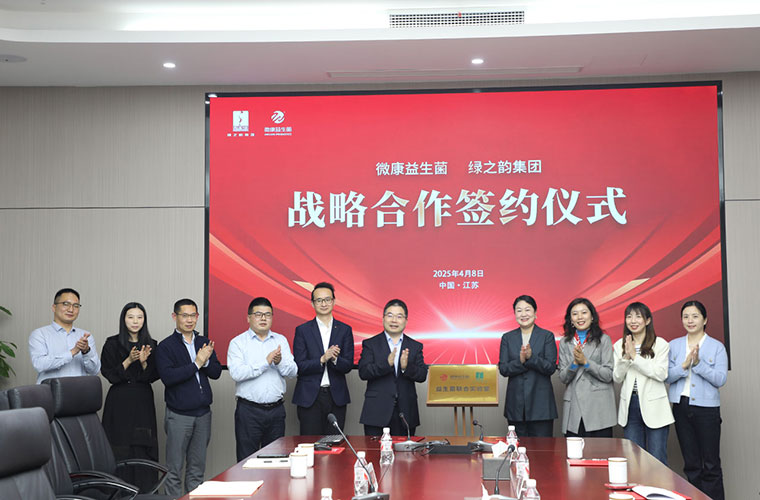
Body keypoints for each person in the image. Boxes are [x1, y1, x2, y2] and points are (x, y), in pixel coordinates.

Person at [156, 298, 222, 498]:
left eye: (193, 315)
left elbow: (216, 372)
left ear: (198, 317)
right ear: (174, 317)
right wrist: (197, 363)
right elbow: (168, 378)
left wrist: (206, 361)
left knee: (197, 470)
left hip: (203, 415)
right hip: (179, 416)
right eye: (184, 315)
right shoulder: (166, 346)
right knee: (174, 470)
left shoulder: (204, 342)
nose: (189, 320)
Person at [666, 300, 727, 500]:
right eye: (686, 316)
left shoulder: (717, 347)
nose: (690, 320)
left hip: (707, 410)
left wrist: (699, 364)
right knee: (691, 464)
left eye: (695, 316)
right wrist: (683, 366)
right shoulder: (674, 345)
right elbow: (666, 376)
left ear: (705, 319)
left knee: (711, 464)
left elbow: (720, 379)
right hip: (681, 407)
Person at [227, 297, 298, 461]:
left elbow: (293, 372)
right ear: (248, 318)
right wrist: (265, 362)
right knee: (246, 461)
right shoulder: (238, 343)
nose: (263, 318)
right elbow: (237, 373)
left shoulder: (280, 340)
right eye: (258, 314)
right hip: (249, 411)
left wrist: (279, 362)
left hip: (276, 411)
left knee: (275, 461)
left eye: (268, 314)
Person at [100, 302, 160, 491]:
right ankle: (117, 492)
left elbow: (154, 376)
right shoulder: (112, 343)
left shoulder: (152, 344)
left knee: (142, 447)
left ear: (144, 320)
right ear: (123, 319)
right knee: (119, 447)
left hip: (142, 401)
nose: (135, 321)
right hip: (119, 401)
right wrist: (128, 361)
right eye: (131, 317)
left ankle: (144, 492)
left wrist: (143, 363)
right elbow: (110, 375)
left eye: (139, 317)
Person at [612, 302, 673, 465]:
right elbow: (617, 377)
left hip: (655, 406)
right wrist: (626, 357)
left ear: (647, 320)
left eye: (638, 316)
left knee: (657, 459)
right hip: (630, 406)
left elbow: (661, 373)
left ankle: (658, 483)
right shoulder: (619, 345)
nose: (633, 321)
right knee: (633, 460)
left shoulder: (660, 344)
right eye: (629, 317)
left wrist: (635, 357)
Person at [358, 299, 428, 436]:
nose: (394, 320)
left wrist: (406, 367)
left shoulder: (415, 346)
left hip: (406, 412)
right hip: (376, 412)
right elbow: (363, 372)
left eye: (399, 316)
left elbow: (422, 375)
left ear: (406, 321)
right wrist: (386, 364)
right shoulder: (370, 344)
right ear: (383, 318)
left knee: (405, 450)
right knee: (374, 449)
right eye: (390, 315)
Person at [292, 282, 354, 435]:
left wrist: (334, 359)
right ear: (312, 303)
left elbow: (348, 365)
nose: (324, 304)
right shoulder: (302, 330)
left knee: (335, 443)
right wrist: (322, 359)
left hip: (336, 397)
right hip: (310, 398)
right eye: (319, 300)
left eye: (327, 299)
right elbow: (299, 366)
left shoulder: (345, 330)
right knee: (309, 443)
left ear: (333, 301)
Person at [498, 295, 557, 437]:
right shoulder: (507, 338)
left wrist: (531, 358)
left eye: (527, 310)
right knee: (517, 447)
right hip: (516, 407)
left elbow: (550, 367)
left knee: (543, 449)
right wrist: (520, 361)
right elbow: (504, 369)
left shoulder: (547, 336)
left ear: (535, 313)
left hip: (541, 407)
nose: (523, 314)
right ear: (515, 314)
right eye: (519, 311)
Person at [558, 297, 616, 437]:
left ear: (592, 316)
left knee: (600, 450)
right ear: (570, 319)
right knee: (574, 450)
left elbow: (608, 374)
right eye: (575, 314)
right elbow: (563, 377)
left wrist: (586, 362)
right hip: (574, 408)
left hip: (599, 408)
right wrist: (574, 363)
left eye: (584, 312)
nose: (580, 317)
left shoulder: (604, 340)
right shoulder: (565, 342)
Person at [29, 288, 101, 383]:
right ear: (54, 307)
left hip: (79, 390)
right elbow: (39, 365)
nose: (71, 309)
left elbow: (94, 371)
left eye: (76, 306)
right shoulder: (39, 334)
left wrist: (86, 351)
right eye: (66, 304)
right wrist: (73, 352)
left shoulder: (85, 336)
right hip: (50, 391)